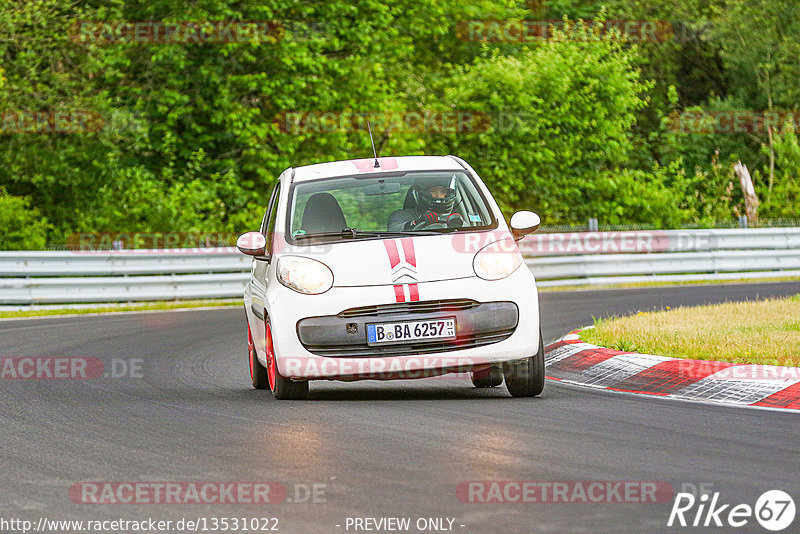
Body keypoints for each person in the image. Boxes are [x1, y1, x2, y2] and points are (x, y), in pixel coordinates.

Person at [388, 176, 464, 231]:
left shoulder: (452, 219)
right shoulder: (402, 215)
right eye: (433, 191)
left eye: (443, 192)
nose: (438, 196)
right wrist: (417, 222)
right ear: (421, 192)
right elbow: (393, 230)